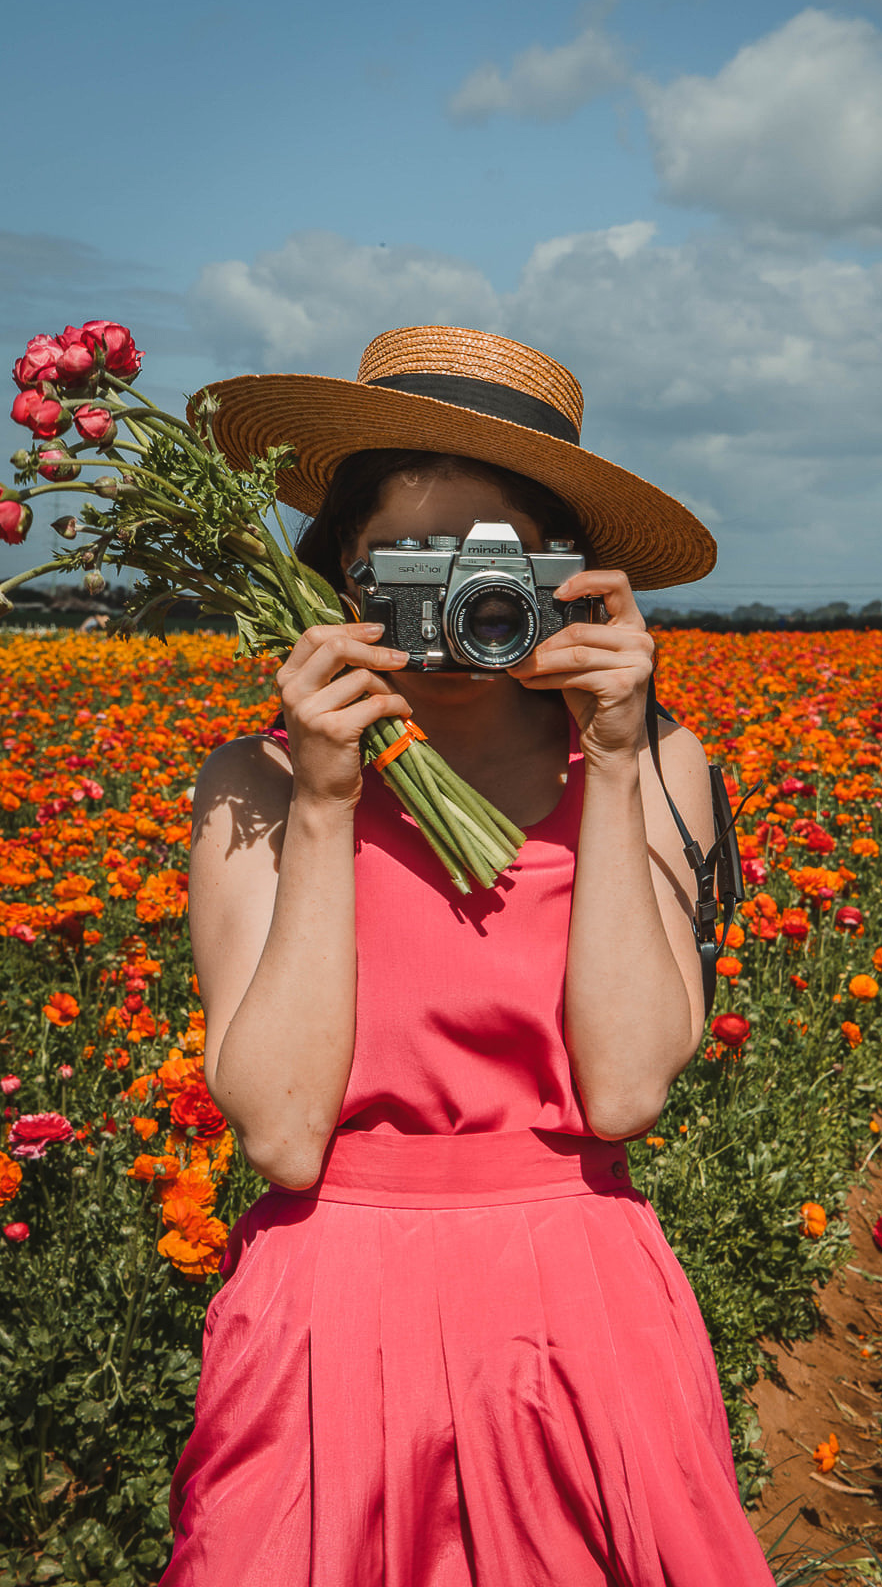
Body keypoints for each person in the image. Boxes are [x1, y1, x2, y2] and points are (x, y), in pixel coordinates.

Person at [162, 326, 775, 1585]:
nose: (462, 604)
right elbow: (281, 1134)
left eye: (493, 562)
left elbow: (621, 1093)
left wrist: (607, 762)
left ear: (566, 574)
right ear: (340, 571)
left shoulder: (654, 763)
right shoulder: (257, 786)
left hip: (577, 1316)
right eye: (415, 562)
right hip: (329, 1317)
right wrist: (326, 803)